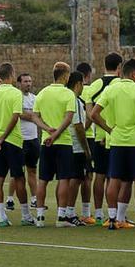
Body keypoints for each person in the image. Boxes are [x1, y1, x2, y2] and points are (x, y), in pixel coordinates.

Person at [90, 58, 135, 230]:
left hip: (117, 138)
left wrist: (109, 128)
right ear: (134, 73)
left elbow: (94, 114)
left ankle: (112, 219)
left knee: (114, 178)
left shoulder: (111, 89)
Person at [0, 62, 33, 227]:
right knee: (18, 177)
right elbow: (15, 117)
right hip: (12, 141)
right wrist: (4, 137)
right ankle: (26, 215)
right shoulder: (15, 93)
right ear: (12, 75)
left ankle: (1, 215)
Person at [30, 62, 77, 228]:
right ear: (64, 75)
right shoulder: (68, 94)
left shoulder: (42, 93)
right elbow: (68, 118)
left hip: (46, 141)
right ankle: (61, 217)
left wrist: (47, 129)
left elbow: (34, 116)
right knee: (64, 179)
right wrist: (56, 134)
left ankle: (41, 217)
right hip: (63, 142)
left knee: (43, 179)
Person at [84, 53, 123, 226]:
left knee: (99, 176)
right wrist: (111, 129)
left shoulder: (94, 86)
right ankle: (113, 215)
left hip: (98, 137)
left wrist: (102, 127)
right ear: (119, 67)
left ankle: (99, 214)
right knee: (114, 178)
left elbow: (90, 114)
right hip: (116, 138)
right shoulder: (120, 85)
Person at [62, 70, 93, 226]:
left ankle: (65, 212)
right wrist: (86, 149)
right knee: (76, 179)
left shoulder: (63, 97)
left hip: (65, 144)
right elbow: (79, 126)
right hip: (75, 145)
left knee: (67, 179)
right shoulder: (74, 100)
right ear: (79, 84)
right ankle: (69, 213)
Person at [7, 73, 38, 211]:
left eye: (30, 81)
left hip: (33, 139)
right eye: (25, 81)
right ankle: (10, 199)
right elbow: (19, 114)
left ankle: (34, 199)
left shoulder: (35, 98)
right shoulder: (16, 98)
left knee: (32, 170)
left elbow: (37, 114)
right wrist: (31, 115)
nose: (28, 84)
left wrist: (30, 115)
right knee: (17, 172)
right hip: (20, 139)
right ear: (19, 83)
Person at [74, 62, 96, 223]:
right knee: (88, 176)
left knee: (73, 177)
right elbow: (90, 115)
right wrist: (87, 127)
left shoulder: (71, 93)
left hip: (73, 137)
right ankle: (87, 212)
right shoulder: (92, 90)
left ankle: (68, 211)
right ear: (87, 75)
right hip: (88, 136)